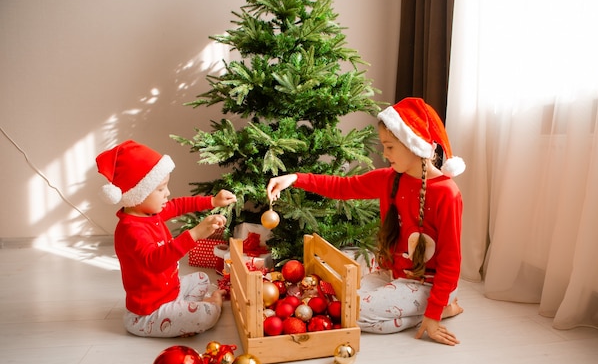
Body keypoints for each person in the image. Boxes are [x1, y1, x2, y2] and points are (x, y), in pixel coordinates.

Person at [267, 98, 465, 345]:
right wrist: (295, 178)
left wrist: (433, 315)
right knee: (342, 302)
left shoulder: (447, 193)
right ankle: (424, 311)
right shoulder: (390, 179)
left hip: (429, 284)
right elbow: (342, 187)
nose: (384, 154)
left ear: (412, 145)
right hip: (394, 275)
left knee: (355, 313)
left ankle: (438, 309)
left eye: (390, 147)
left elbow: (451, 262)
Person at [95, 140, 236, 337]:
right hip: (149, 312)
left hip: (170, 292)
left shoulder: (151, 212)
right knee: (207, 315)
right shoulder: (130, 230)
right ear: (138, 194)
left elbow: (179, 205)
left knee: (203, 278)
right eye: (161, 189)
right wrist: (195, 234)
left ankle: (181, 314)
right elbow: (155, 262)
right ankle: (207, 307)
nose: (167, 193)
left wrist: (212, 201)